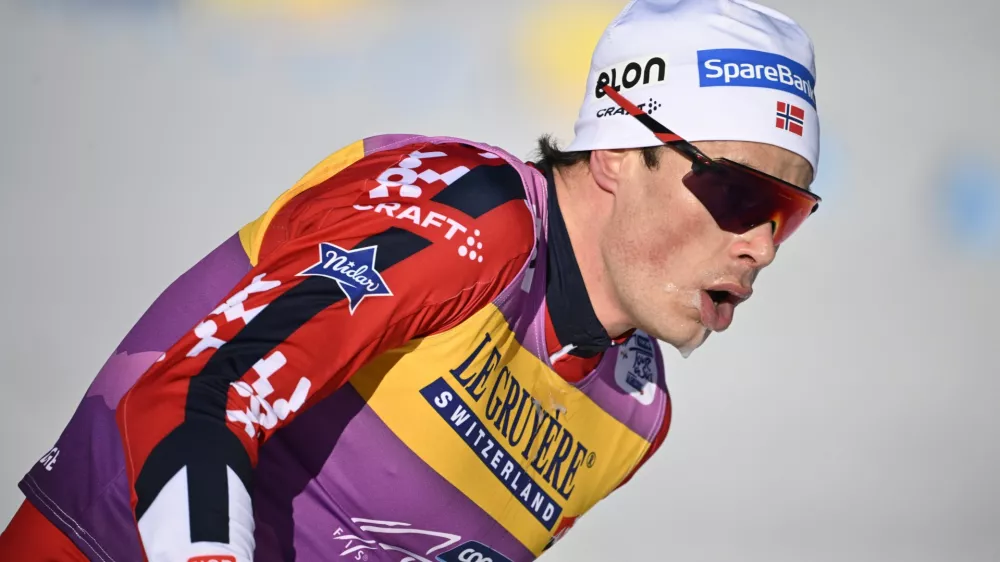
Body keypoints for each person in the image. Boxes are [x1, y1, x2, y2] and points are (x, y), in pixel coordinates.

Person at [0, 0, 822, 560]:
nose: (762, 245)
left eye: (787, 213)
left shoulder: (633, 413)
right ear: (613, 150)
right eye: (739, 192)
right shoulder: (471, 214)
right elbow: (191, 397)